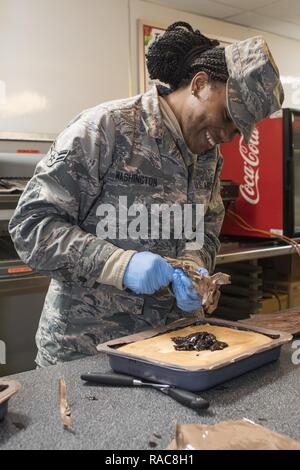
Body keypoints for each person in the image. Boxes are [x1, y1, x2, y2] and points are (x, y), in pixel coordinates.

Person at [9, 22, 284, 367]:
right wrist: (120, 265)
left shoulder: (208, 158)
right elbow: (32, 227)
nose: (228, 134)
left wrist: (196, 269)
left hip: (170, 350)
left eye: (237, 129)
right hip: (85, 353)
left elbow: (207, 229)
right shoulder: (106, 130)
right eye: (227, 117)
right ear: (200, 84)